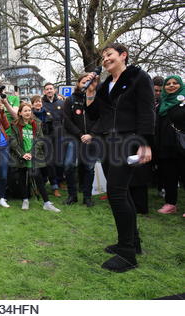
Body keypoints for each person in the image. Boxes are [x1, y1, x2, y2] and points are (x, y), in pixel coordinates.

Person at [85, 43, 154, 272]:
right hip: (108, 143)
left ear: (123, 55)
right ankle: (132, 243)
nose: (105, 59)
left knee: (116, 193)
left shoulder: (138, 77)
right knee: (121, 193)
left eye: (109, 55)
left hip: (128, 141)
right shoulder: (106, 86)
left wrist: (145, 144)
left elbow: (146, 111)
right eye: (103, 57)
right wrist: (92, 91)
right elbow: (94, 114)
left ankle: (127, 255)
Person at [9, 103, 61, 212]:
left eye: (29, 110)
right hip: (21, 156)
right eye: (25, 111)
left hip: (34, 156)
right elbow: (13, 141)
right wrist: (22, 154)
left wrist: (31, 153)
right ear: (20, 113)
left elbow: (40, 140)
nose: (28, 113)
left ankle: (46, 203)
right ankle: (25, 200)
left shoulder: (37, 123)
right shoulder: (14, 125)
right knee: (23, 178)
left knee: (38, 179)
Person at [62, 74, 98, 207]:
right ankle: (72, 195)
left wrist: (91, 134)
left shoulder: (97, 99)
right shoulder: (70, 99)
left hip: (91, 138)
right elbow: (66, 120)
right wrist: (79, 134)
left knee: (89, 167)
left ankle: (87, 197)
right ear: (78, 84)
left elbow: (100, 118)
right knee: (68, 165)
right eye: (83, 82)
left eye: (89, 81)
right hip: (73, 138)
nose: (86, 84)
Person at [155, 75, 185, 216]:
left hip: (182, 147)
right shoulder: (162, 103)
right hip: (165, 147)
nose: (171, 85)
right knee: (169, 177)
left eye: (175, 83)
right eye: (168, 83)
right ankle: (170, 204)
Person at [41, 83, 65, 197]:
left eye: (51, 89)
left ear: (54, 90)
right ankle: (54, 186)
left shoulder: (61, 103)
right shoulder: (41, 104)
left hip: (60, 135)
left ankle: (60, 181)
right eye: (47, 89)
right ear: (44, 92)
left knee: (60, 160)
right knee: (50, 162)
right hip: (47, 136)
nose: (49, 91)